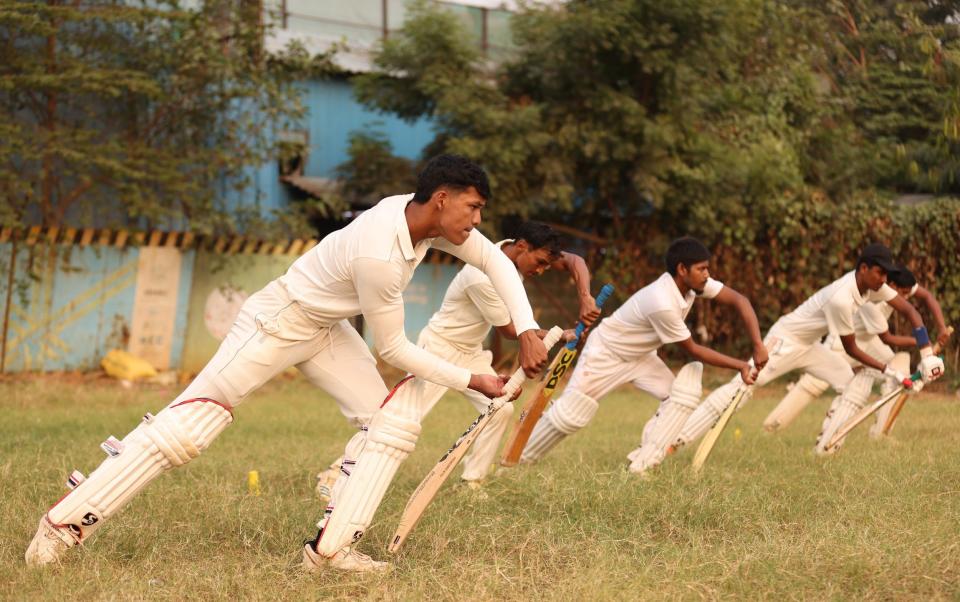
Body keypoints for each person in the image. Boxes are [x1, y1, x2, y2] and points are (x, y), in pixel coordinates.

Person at [25, 154, 548, 571]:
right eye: (473, 208)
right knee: (189, 428)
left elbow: (494, 263)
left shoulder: (425, 223)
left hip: (325, 329)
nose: (478, 221)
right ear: (441, 199)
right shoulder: (380, 254)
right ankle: (60, 528)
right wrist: (470, 378)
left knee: (388, 425)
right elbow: (392, 350)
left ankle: (331, 551)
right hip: (276, 323)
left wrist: (526, 329)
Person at [304, 222, 599, 570]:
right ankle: (335, 473)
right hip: (439, 349)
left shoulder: (517, 254)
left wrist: (585, 297)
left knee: (500, 409)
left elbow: (576, 262)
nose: (542, 269)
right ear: (521, 245)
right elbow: (513, 332)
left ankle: (471, 481)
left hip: (471, 352)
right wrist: (559, 334)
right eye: (541, 262)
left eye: (549, 265)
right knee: (400, 420)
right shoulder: (481, 274)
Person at [518, 237, 767, 475]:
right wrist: (741, 366)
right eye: (702, 269)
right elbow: (691, 349)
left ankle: (642, 464)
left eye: (707, 269)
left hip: (641, 357)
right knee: (571, 415)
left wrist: (758, 345)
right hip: (606, 353)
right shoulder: (662, 301)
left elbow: (739, 300)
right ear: (682, 269)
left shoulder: (694, 285)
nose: (707, 275)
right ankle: (520, 458)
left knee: (680, 397)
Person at [675, 244, 945, 456]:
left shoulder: (876, 286)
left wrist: (926, 355)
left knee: (850, 382)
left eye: (887, 274)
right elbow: (850, 348)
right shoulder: (842, 297)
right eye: (879, 273)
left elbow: (911, 311)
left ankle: (825, 447)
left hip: (810, 346)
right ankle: (679, 439)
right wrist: (891, 371)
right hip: (786, 340)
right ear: (863, 268)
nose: (884, 280)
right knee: (742, 388)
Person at [763, 265, 950, 441]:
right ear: (892, 286)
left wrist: (940, 328)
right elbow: (888, 339)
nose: (906, 298)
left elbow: (927, 297)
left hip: (869, 340)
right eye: (903, 293)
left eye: (909, 293)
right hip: (843, 342)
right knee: (813, 385)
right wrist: (924, 344)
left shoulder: (900, 279)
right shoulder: (873, 303)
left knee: (899, 365)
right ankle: (773, 425)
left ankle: (880, 433)